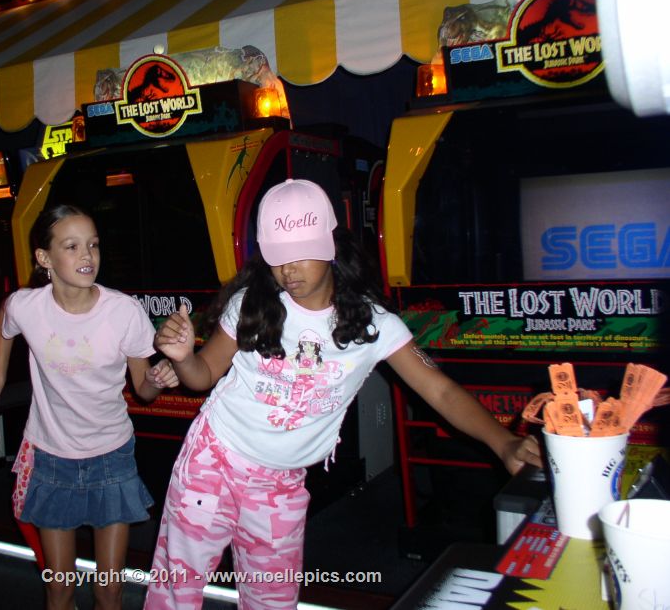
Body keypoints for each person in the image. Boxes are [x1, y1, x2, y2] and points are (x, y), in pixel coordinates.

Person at [145, 179, 543, 609]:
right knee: (176, 589)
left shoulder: (373, 325)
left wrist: (504, 442)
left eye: (301, 252)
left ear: (331, 244)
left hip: (281, 485)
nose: (288, 269)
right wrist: (184, 357)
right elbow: (203, 375)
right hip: (214, 460)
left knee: (272, 600)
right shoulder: (251, 303)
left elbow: (440, 390)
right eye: (278, 256)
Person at [0, 204, 178, 610]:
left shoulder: (123, 311)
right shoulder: (29, 306)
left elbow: (143, 391)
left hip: (111, 456)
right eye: (72, 246)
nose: (87, 256)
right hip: (51, 457)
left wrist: (157, 379)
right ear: (44, 258)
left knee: (109, 590)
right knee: (59, 589)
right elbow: (7, 316)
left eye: (93, 245)